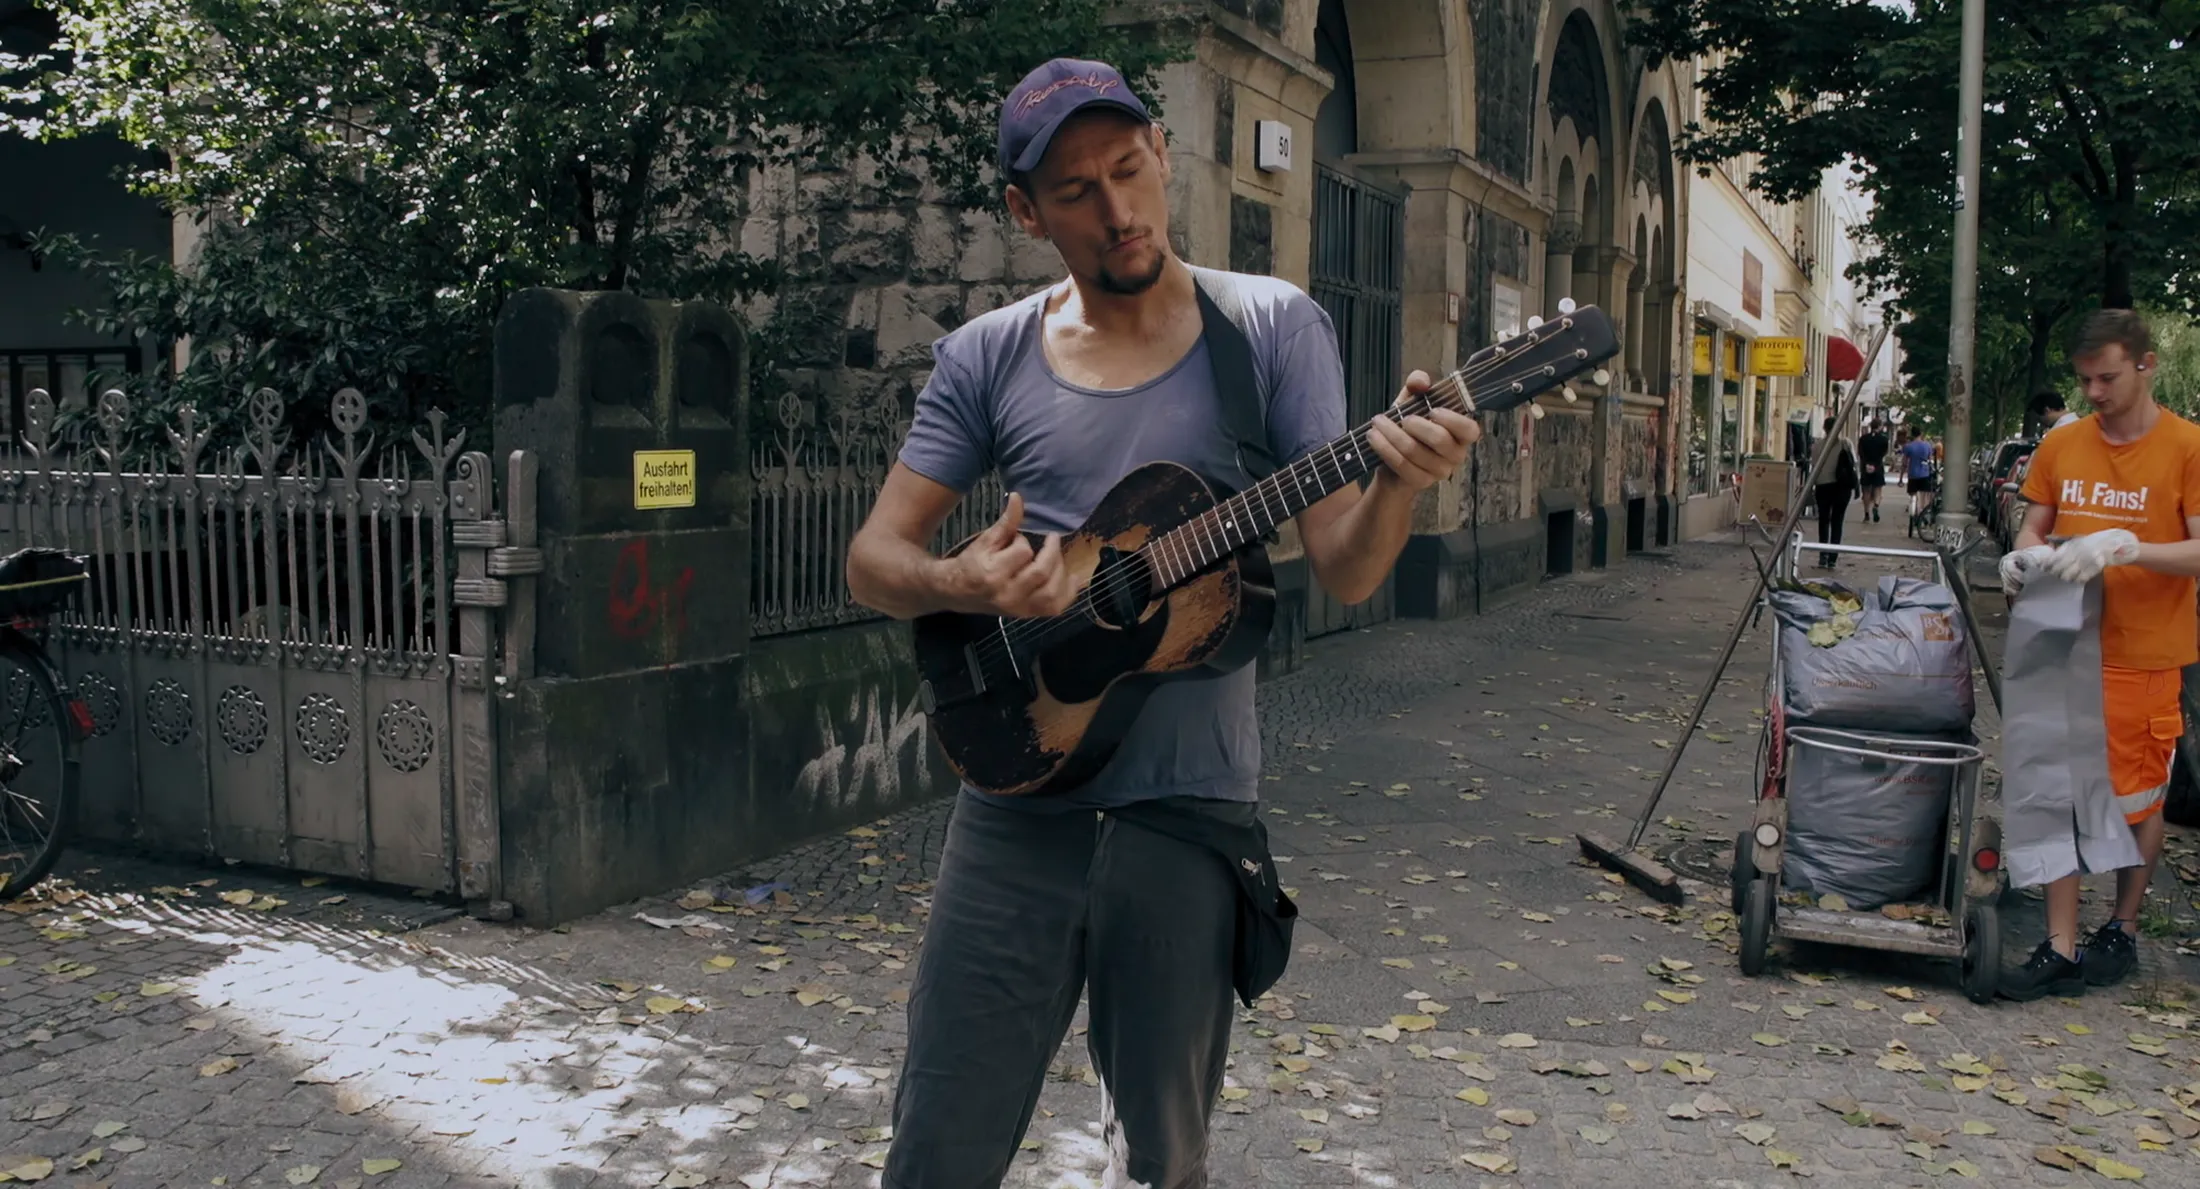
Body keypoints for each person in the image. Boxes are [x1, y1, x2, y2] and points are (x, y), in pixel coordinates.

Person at [841, 57, 1481, 1187]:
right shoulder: (987, 353)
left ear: (1162, 158)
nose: (1117, 208)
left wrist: (1400, 484)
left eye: (1129, 170)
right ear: (1024, 211)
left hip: (1186, 821)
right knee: (934, 1147)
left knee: (1162, 1162)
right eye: (1077, 190)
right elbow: (874, 562)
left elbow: (1340, 567)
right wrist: (967, 586)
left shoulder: (1270, 327)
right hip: (1011, 807)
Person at [1996, 309, 2200, 1000]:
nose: (2092, 392)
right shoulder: (2064, 445)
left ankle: (2123, 924)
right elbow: (2034, 520)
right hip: (2062, 644)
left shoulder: (2187, 447)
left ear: (2146, 364)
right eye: (2083, 379)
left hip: (2145, 656)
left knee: (2136, 801)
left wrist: (2127, 546)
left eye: (2106, 376)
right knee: (2059, 790)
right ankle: (2058, 942)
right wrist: (2022, 556)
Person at [1809, 414, 1858, 567]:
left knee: (1823, 521)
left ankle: (1822, 555)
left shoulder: (1816, 446)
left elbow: (1814, 465)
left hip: (1823, 486)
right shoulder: (1845, 443)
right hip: (1842, 488)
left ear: (1824, 428)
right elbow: (1853, 463)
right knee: (1837, 521)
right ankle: (1833, 559)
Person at [1900, 423, 1937, 528]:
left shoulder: (1908, 447)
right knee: (1924, 497)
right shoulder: (1927, 446)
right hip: (1925, 474)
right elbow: (1930, 460)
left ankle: (1915, 512)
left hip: (1912, 475)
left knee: (1913, 495)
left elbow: (1904, 463)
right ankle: (1923, 515)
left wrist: (1901, 478)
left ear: (1912, 434)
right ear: (1921, 434)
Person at [1857, 418, 1890, 522]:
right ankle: (1876, 505)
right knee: (1878, 489)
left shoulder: (1863, 439)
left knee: (1866, 491)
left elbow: (1860, 453)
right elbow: (1884, 453)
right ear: (1880, 426)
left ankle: (1866, 513)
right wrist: (1875, 465)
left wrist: (1867, 464)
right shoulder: (1884, 439)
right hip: (1878, 466)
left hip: (1865, 467)